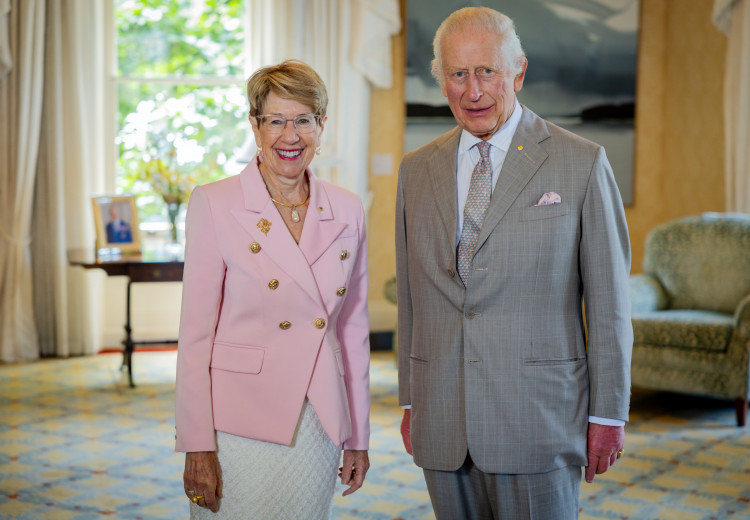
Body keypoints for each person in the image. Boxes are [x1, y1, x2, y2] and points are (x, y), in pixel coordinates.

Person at [395, 7, 633, 519]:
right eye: (458, 73)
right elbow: (413, 299)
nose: (473, 90)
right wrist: (412, 402)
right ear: (442, 80)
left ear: (518, 72)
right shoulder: (415, 171)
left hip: (539, 419)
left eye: (487, 71)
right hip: (442, 416)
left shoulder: (581, 161)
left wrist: (608, 413)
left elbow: (610, 304)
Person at [174, 59, 371, 518]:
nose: (290, 135)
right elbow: (195, 336)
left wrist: (357, 437)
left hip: (318, 420)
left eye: (303, 120)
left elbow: (353, 333)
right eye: (276, 120)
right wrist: (197, 444)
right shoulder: (215, 202)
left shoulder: (347, 208)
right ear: (255, 126)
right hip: (238, 421)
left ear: (321, 127)